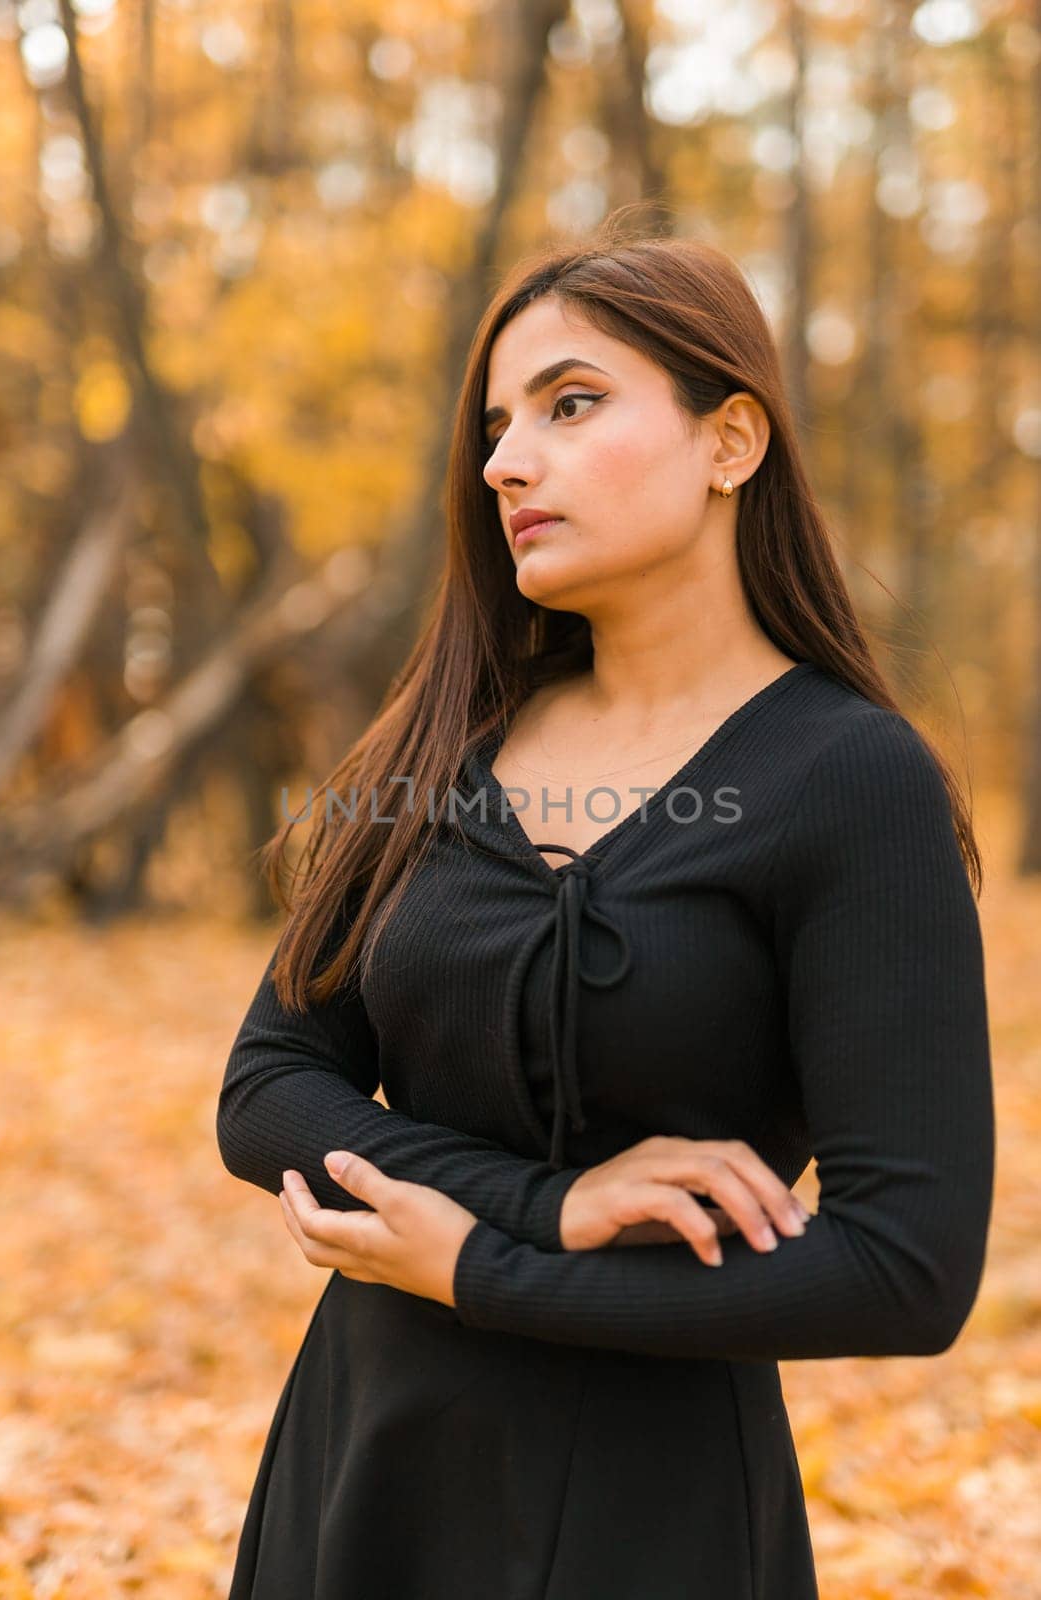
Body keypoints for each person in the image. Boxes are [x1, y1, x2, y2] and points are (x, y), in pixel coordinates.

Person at [217, 222, 995, 1599]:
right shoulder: (433, 754)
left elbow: (904, 1270)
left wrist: (483, 1270)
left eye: (571, 405)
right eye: (500, 426)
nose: (510, 459)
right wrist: (548, 1204)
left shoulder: (851, 780)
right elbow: (270, 1087)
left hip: (655, 1514)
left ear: (730, 441)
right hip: (366, 1475)